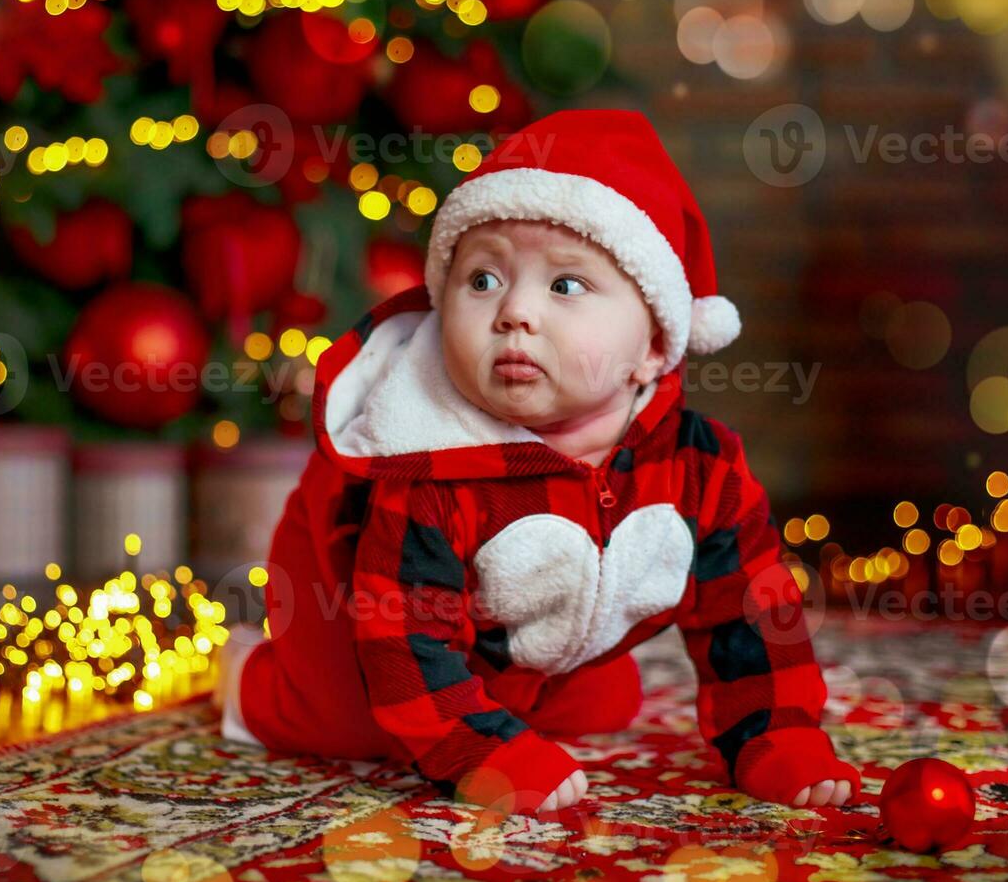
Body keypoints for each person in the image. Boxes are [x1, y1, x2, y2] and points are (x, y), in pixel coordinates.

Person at [213, 109, 861, 817]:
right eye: (483, 279)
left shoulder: (699, 465)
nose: (515, 311)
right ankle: (246, 675)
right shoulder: (428, 465)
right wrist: (484, 754)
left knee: (597, 709)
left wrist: (775, 735)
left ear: (653, 346)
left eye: (566, 286)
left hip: (528, 632)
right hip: (359, 603)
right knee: (356, 724)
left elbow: (752, 609)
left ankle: (535, 685)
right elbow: (406, 639)